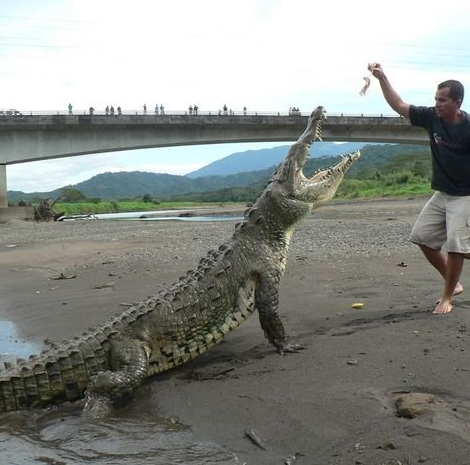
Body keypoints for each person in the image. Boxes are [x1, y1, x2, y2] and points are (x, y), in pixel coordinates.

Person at [370, 62, 470, 315]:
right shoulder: (430, 117)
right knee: (422, 237)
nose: (437, 103)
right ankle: (454, 282)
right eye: (436, 98)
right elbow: (399, 105)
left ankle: (447, 297)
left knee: (456, 246)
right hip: (443, 193)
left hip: (465, 194)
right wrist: (382, 77)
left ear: (457, 103)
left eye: (443, 100)